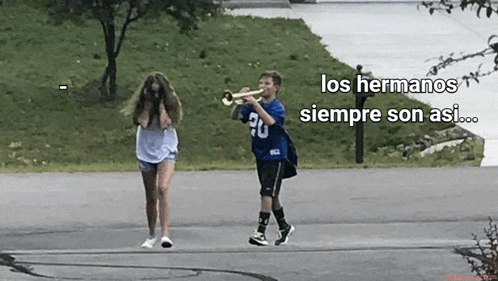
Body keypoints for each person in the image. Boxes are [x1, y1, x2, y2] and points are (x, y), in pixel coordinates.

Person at [234, 71, 298, 246]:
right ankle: (284, 226)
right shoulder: (254, 106)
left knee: (266, 193)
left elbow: (271, 122)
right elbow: (237, 116)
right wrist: (239, 101)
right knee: (272, 193)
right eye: (261, 82)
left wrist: (255, 104)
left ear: (275, 88)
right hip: (260, 154)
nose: (262, 86)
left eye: (267, 83)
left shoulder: (277, 106)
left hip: (275, 154)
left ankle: (260, 232)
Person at [131, 72, 182, 249]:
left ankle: (165, 234)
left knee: (163, 187)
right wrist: (148, 103)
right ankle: (152, 234)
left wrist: (161, 104)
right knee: (151, 195)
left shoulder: (170, 104)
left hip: (165, 148)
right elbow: (143, 122)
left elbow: (164, 123)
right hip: (145, 149)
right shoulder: (142, 104)